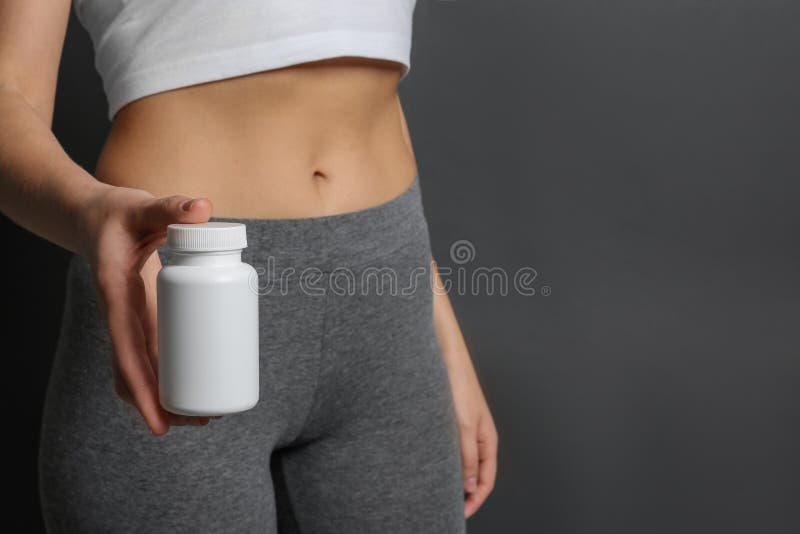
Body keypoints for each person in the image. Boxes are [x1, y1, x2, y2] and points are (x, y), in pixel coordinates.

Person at [0, 1, 497, 532]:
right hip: (176, 301)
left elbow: (360, 77)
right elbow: (9, 95)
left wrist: (439, 333)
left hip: (387, 308)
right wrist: (89, 215)